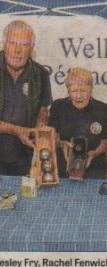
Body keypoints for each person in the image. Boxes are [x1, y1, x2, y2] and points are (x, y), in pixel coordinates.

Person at [0, 20, 52, 176]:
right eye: (12, 43)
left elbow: (43, 110)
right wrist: (17, 130)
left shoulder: (41, 74)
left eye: (23, 45)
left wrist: (41, 129)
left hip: (25, 158)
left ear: (31, 49)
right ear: (4, 44)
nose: (17, 51)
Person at [49, 68, 107, 179]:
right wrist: (61, 144)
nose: (78, 96)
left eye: (83, 91)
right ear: (68, 91)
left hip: (95, 167)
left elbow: (105, 142)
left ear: (91, 89)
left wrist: (94, 153)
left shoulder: (102, 109)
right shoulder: (58, 106)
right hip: (64, 166)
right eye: (74, 91)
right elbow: (50, 137)